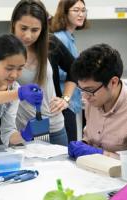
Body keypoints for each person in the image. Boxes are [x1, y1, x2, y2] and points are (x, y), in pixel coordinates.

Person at [68, 43, 127, 159]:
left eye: (90, 90)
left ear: (113, 82)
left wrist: (103, 154)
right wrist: (83, 144)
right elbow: (90, 138)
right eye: (81, 89)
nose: (85, 97)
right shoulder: (92, 100)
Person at [10, 0, 69, 146]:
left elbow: (75, 69)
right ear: (13, 24)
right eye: (23, 28)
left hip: (55, 127)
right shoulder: (4, 49)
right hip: (24, 132)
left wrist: (65, 98)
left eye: (35, 30)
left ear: (42, 29)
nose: (28, 36)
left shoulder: (51, 44)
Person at [0, 34, 43, 147]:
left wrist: (25, 135)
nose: (14, 75)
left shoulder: (14, 89)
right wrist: (19, 94)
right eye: (9, 68)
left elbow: (7, 133)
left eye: (20, 68)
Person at [50, 0, 88, 142]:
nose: (81, 14)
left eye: (83, 10)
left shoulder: (69, 37)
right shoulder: (60, 38)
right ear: (64, 13)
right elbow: (53, 71)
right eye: (76, 10)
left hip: (70, 100)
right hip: (64, 100)